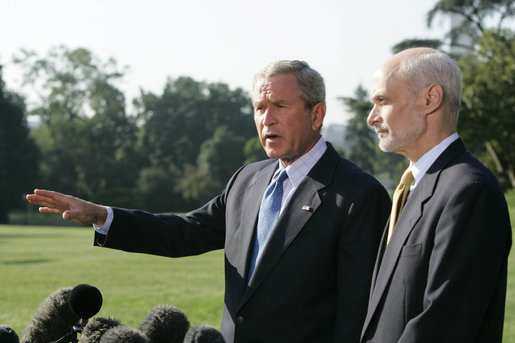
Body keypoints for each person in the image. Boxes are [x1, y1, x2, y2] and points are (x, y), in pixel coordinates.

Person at [27, 60, 391, 343]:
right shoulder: (248, 179)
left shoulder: (359, 195)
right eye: (259, 107)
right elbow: (185, 232)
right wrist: (102, 215)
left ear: (317, 115)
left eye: (280, 105)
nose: (267, 119)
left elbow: (358, 315)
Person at [360, 48, 512, 343]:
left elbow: (443, 324)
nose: (371, 118)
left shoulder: (469, 192)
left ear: (430, 99)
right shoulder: (413, 187)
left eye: (383, 101)